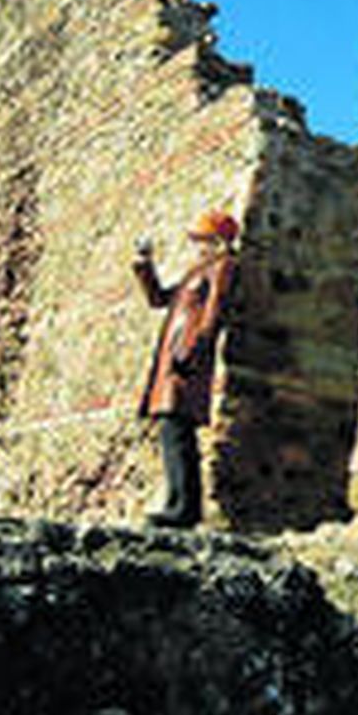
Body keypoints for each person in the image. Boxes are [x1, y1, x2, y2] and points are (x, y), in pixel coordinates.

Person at [132, 209, 238, 528]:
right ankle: (177, 502)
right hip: (172, 356)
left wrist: (193, 350)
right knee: (170, 428)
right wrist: (144, 266)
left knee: (177, 429)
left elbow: (213, 313)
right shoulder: (196, 271)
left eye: (203, 239)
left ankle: (184, 508)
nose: (198, 246)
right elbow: (159, 298)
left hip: (187, 357)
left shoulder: (223, 267)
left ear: (217, 240)